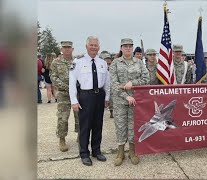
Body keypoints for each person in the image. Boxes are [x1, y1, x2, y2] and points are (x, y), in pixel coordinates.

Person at [69, 36, 110, 166]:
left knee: (98, 125)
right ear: (86, 46)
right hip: (85, 96)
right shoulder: (78, 62)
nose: (93, 47)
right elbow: (71, 82)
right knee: (85, 126)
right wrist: (74, 100)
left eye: (95, 45)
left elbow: (107, 82)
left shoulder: (102, 63)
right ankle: (84, 153)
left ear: (99, 47)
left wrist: (107, 97)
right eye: (91, 45)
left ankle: (96, 151)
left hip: (99, 96)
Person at [109, 38, 149, 166]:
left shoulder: (139, 62)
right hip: (120, 100)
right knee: (120, 126)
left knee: (132, 126)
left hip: (135, 100)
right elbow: (114, 84)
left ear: (132, 48)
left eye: (130, 46)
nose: (127, 48)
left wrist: (133, 83)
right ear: (121, 48)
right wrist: (126, 96)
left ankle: (133, 151)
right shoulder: (115, 63)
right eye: (125, 46)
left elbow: (146, 78)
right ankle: (120, 152)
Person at [50, 41, 80, 152]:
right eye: (65, 48)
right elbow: (53, 77)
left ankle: (80, 135)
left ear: (72, 49)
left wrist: (76, 87)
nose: (67, 50)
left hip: (77, 94)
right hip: (63, 94)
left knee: (79, 116)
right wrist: (68, 87)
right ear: (61, 49)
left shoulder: (77, 61)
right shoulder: (56, 62)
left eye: (69, 48)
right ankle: (62, 139)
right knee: (63, 117)